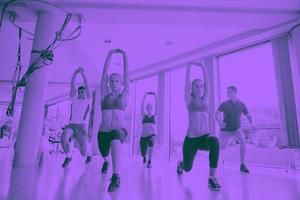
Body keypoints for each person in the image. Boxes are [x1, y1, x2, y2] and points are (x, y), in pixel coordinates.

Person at [177, 62, 221, 191]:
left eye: (201, 86)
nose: (200, 88)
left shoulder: (206, 99)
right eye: (196, 86)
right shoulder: (189, 100)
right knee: (187, 168)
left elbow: (208, 83)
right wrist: (189, 66)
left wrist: (203, 67)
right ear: (192, 88)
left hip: (204, 137)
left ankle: (212, 178)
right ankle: (180, 164)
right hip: (191, 140)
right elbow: (186, 84)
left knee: (215, 141)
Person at [98, 49, 129, 192]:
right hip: (103, 132)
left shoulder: (125, 96)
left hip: (119, 130)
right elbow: (104, 74)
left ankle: (116, 176)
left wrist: (124, 57)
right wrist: (109, 55)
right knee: (104, 153)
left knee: (116, 140)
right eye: (112, 81)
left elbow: (127, 76)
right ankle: (106, 161)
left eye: (117, 81)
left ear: (121, 83)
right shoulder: (104, 94)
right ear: (109, 83)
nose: (114, 83)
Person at [215, 86, 255, 173]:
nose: (227, 94)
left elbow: (248, 115)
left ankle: (242, 164)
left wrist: (252, 123)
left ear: (234, 92)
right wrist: (219, 122)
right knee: (221, 147)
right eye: (227, 92)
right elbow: (216, 115)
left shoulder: (241, 104)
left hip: (237, 129)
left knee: (243, 143)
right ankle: (214, 163)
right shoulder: (224, 104)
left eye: (229, 92)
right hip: (225, 130)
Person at [61, 67, 92, 168]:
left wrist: (83, 74)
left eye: (82, 92)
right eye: (79, 92)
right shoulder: (74, 99)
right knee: (64, 137)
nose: (80, 94)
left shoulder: (87, 100)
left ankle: (89, 154)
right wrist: (75, 74)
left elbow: (87, 86)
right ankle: (68, 156)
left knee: (83, 152)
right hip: (71, 125)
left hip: (81, 126)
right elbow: (72, 85)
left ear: (85, 93)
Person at [140, 92, 158, 168]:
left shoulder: (155, 116)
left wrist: (155, 96)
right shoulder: (144, 115)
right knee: (143, 153)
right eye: (148, 107)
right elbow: (142, 105)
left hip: (152, 135)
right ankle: (144, 157)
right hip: (144, 137)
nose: (149, 108)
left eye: (151, 107)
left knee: (151, 143)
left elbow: (157, 105)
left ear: (152, 108)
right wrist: (145, 95)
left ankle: (150, 161)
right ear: (146, 108)